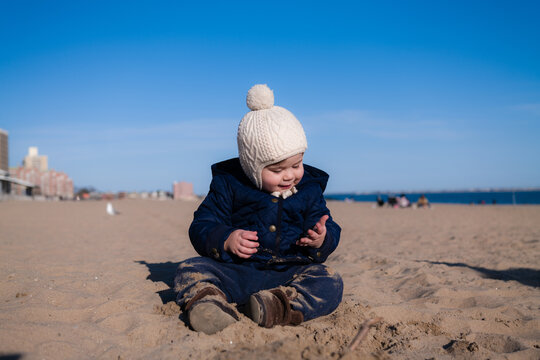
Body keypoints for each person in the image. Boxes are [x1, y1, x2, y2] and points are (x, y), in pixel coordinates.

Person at [174, 84, 343, 335]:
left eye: (297, 165)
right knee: (189, 270)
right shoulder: (229, 185)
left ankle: (274, 306)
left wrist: (321, 238)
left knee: (330, 280)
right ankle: (209, 305)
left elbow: (327, 225)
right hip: (238, 271)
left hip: (289, 271)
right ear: (252, 167)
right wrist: (226, 239)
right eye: (276, 170)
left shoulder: (309, 189)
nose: (289, 176)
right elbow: (202, 225)